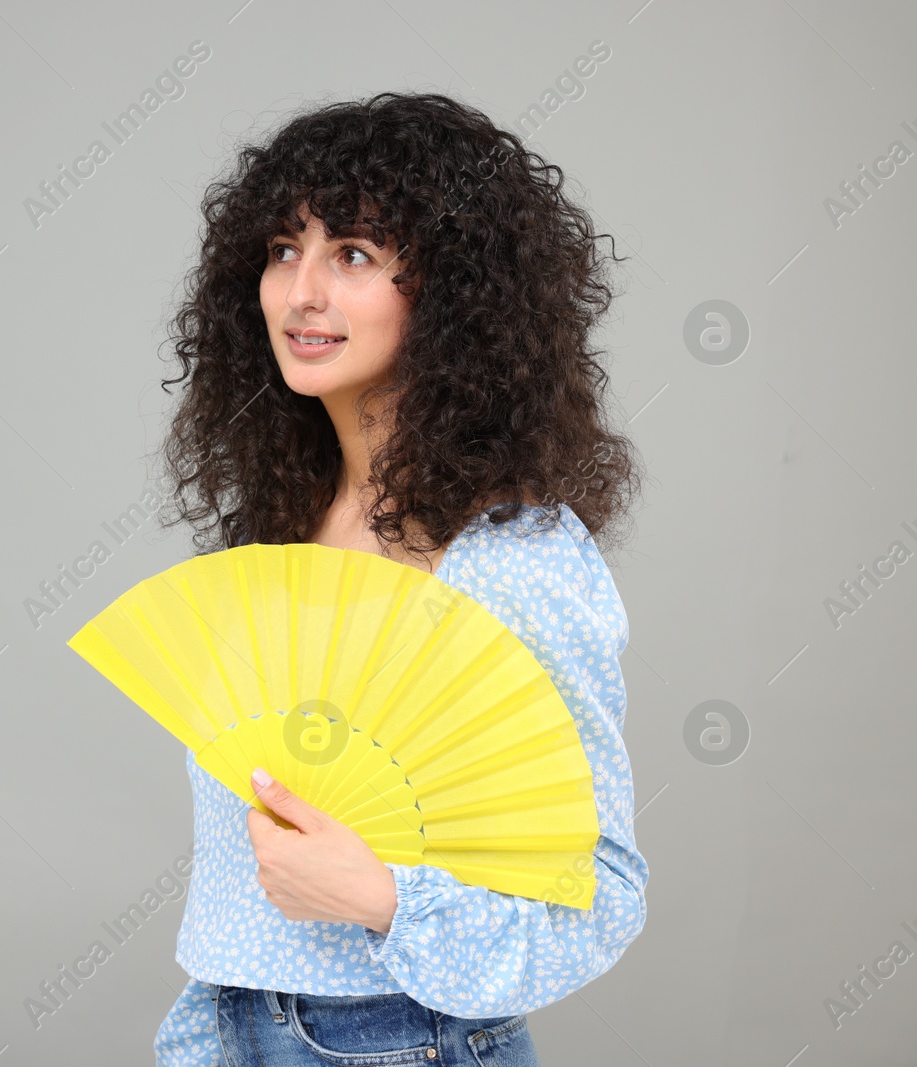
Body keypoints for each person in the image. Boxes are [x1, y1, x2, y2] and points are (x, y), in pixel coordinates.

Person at [147, 91, 649, 1066]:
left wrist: (381, 897)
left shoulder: (509, 560)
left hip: (395, 1042)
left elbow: (600, 896)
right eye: (284, 249)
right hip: (226, 1024)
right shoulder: (288, 523)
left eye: (356, 256)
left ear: (456, 294)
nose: (301, 294)